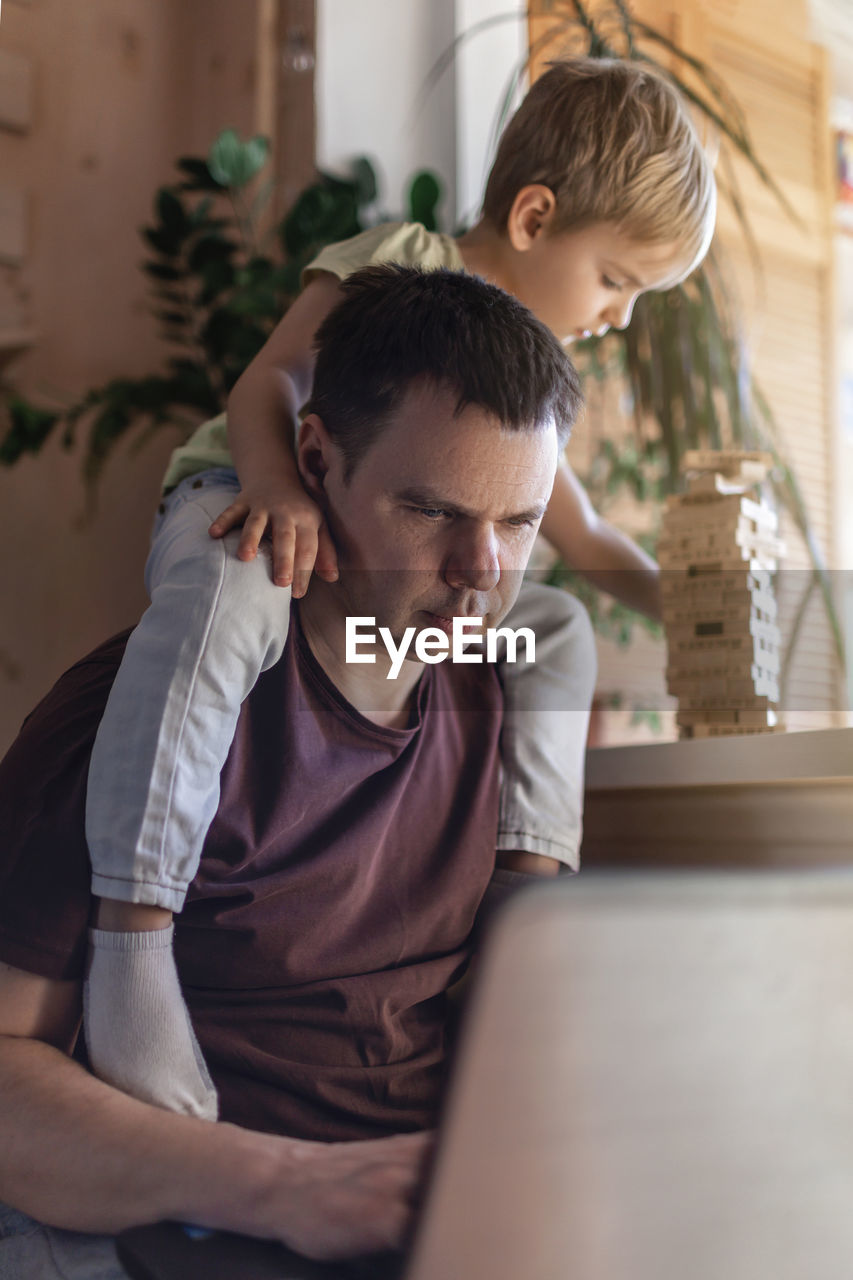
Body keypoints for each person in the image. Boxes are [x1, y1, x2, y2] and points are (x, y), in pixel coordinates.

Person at [83, 57, 717, 1120]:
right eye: (617, 279)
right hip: (245, 486)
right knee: (237, 594)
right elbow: (271, 383)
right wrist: (280, 487)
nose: (619, 316)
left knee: (554, 628)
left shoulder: (516, 383)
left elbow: (586, 534)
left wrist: (699, 619)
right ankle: (133, 934)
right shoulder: (403, 261)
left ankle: (522, 899)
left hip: (378, 574)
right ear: (531, 216)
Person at [0, 264, 580, 1278]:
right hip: (201, 1229)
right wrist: (283, 1183)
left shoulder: (503, 698)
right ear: (313, 460)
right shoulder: (130, 724)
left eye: (518, 522)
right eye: (432, 510)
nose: (481, 570)